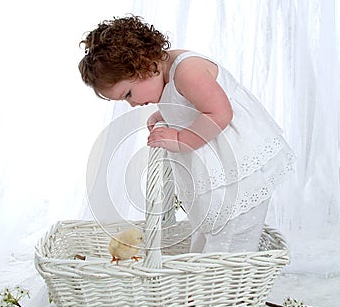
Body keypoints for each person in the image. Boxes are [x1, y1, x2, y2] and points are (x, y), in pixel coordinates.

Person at [78, 15, 294, 254]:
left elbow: (220, 113)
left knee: (232, 235)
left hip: (241, 162)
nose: (131, 104)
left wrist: (181, 139)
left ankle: (226, 285)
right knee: (209, 225)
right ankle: (198, 279)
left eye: (128, 94)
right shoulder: (163, 73)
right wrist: (167, 114)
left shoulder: (187, 71)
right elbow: (188, 103)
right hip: (221, 166)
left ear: (143, 65)